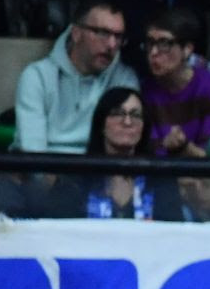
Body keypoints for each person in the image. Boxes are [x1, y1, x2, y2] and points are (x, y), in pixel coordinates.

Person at [13, 0, 141, 154]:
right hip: (46, 164)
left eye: (118, 36)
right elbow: (33, 153)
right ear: (76, 33)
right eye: (103, 33)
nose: (112, 45)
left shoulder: (124, 79)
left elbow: (124, 149)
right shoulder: (37, 77)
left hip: (99, 167)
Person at [137, 6, 210, 157]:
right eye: (150, 43)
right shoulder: (144, 91)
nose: (154, 52)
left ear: (187, 49)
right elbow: (148, 152)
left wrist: (183, 147)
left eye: (164, 44)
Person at [59, 87, 157, 219]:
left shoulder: (160, 179)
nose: (127, 122)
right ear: (101, 124)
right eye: (118, 113)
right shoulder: (74, 180)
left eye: (135, 115)